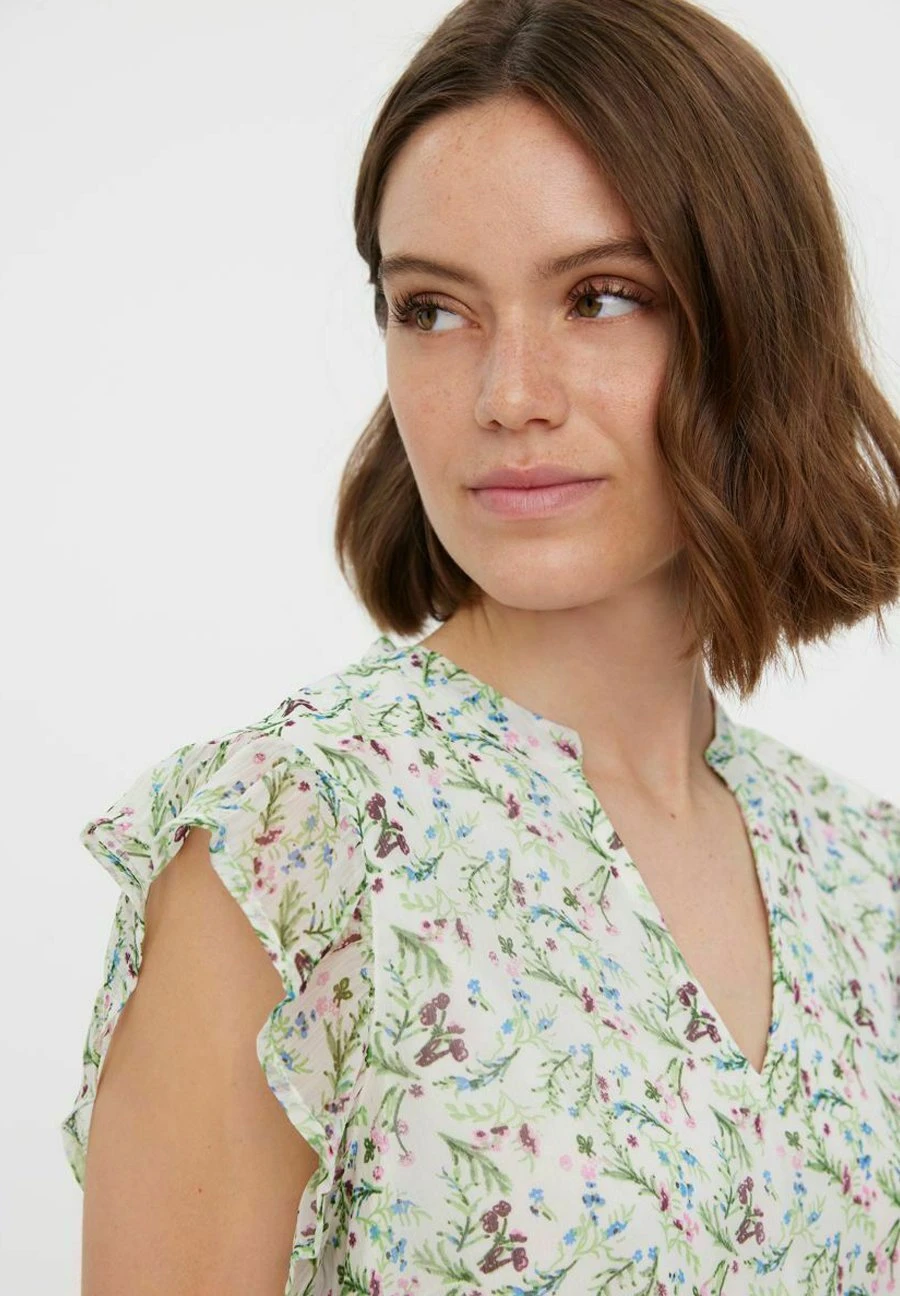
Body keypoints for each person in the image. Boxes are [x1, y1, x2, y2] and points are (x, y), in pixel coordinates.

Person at [62, 0, 900, 1292]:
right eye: (434, 310)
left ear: (755, 322)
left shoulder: (868, 880)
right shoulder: (292, 849)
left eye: (600, 297)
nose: (508, 395)